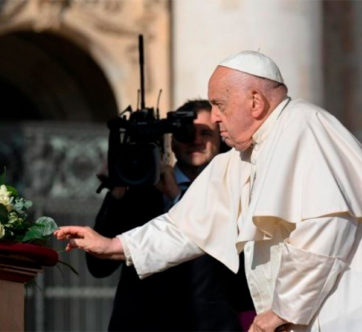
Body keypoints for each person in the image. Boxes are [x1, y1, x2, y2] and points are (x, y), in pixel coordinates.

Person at [55, 51, 362, 332]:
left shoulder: (305, 126)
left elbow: (325, 229)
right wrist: (113, 246)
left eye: (220, 104)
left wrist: (281, 311)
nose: (215, 117)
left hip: (333, 316)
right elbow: (183, 228)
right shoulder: (242, 159)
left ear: (255, 102)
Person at [87, 99, 253, 331]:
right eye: (185, 133)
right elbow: (97, 266)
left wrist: (178, 200)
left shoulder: (233, 192)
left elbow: (241, 277)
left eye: (205, 133)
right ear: (172, 142)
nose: (195, 140)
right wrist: (117, 190)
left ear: (219, 140)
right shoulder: (142, 191)